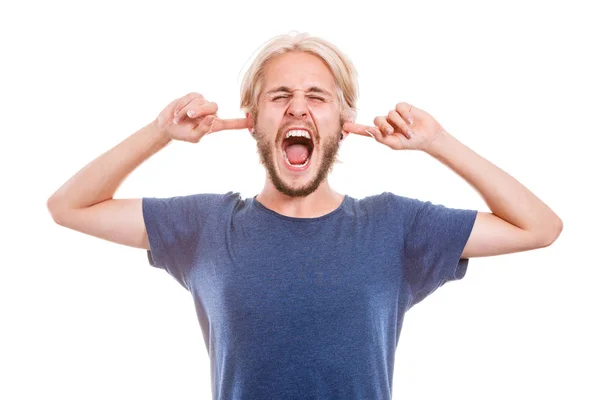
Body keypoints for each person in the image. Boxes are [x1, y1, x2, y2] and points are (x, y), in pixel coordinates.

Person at [47, 32, 562, 400]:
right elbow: (68, 206)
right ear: (252, 121)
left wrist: (437, 143)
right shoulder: (205, 226)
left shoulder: (395, 228)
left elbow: (539, 227)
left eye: (317, 97)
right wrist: (160, 131)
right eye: (280, 96)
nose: (298, 108)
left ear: (343, 121)